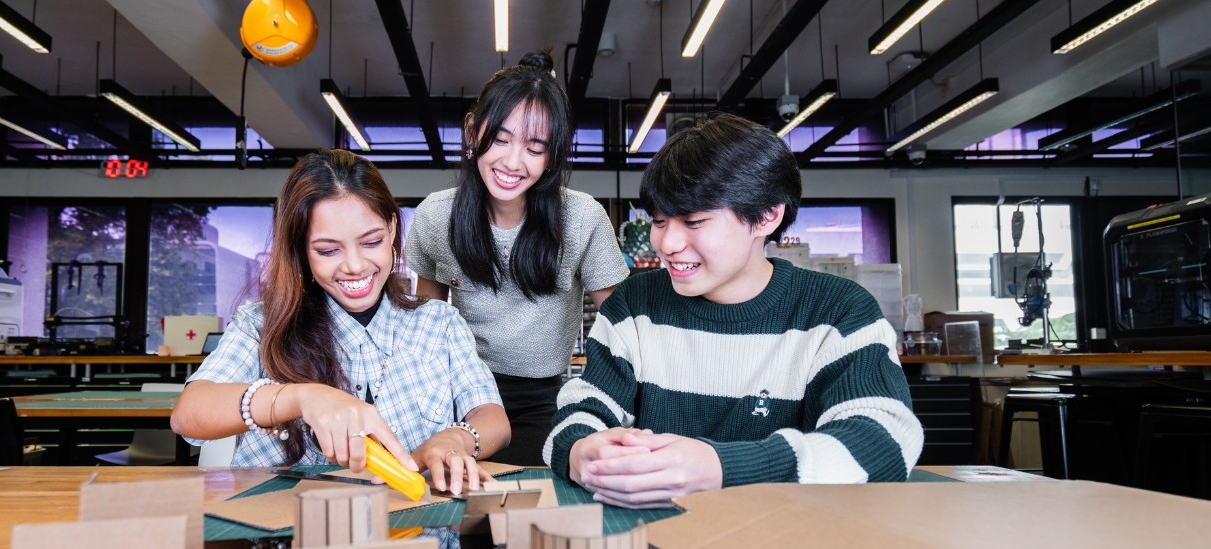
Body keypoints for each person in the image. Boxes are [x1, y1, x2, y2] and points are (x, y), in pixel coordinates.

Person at [545, 114, 924, 508]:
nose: (669, 243)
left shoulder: (837, 311)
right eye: (659, 220)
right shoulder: (635, 305)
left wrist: (721, 469)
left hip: (792, 544)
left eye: (694, 221)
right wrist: (580, 452)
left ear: (767, 216)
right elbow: (582, 412)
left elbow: (886, 439)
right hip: (657, 538)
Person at [172, 149, 509, 498]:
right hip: (288, 542)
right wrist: (300, 397)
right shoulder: (261, 325)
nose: (354, 265)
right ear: (301, 249)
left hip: (420, 536)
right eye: (328, 250)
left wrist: (455, 438)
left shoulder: (438, 323)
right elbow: (188, 416)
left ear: (393, 229)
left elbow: (492, 417)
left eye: (372, 242)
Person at [403, 49, 630, 466]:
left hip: (545, 401)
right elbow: (427, 325)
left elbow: (623, 326)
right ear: (473, 132)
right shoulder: (437, 215)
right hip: (460, 397)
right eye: (501, 138)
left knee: (531, 519)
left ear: (553, 155)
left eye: (533, 147)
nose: (511, 161)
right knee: (459, 517)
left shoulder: (581, 218)